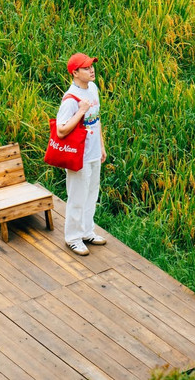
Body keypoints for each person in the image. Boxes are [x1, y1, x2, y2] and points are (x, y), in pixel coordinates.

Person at [56, 52, 107, 255]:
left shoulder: (93, 88)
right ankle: (73, 238)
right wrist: (80, 111)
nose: (91, 70)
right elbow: (61, 130)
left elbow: (97, 119)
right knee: (77, 195)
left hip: (94, 151)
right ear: (75, 72)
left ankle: (87, 231)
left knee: (92, 193)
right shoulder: (70, 99)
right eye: (86, 68)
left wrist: (101, 146)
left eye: (91, 66)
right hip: (79, 154)